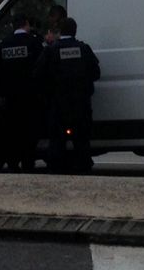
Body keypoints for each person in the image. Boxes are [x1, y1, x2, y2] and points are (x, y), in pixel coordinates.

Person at [34, 17, 100, 173]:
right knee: (82, 141)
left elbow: (37, 75)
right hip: (81, 104)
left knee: (57, 143)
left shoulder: (50, 50)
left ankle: (57, 171)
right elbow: (96, 73)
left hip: (58, 106)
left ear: (59, 31)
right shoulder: (83, 49)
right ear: (75, 31)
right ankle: (84, 169)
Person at [0, 13, 43, 171]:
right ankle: (28, 162)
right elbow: (42, 67)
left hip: (11, 97)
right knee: (30, 131)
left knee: (12, 131)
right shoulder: (34, 42)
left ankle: (12, 163)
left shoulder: (4, 44)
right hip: (31, 96)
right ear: (26, 24)